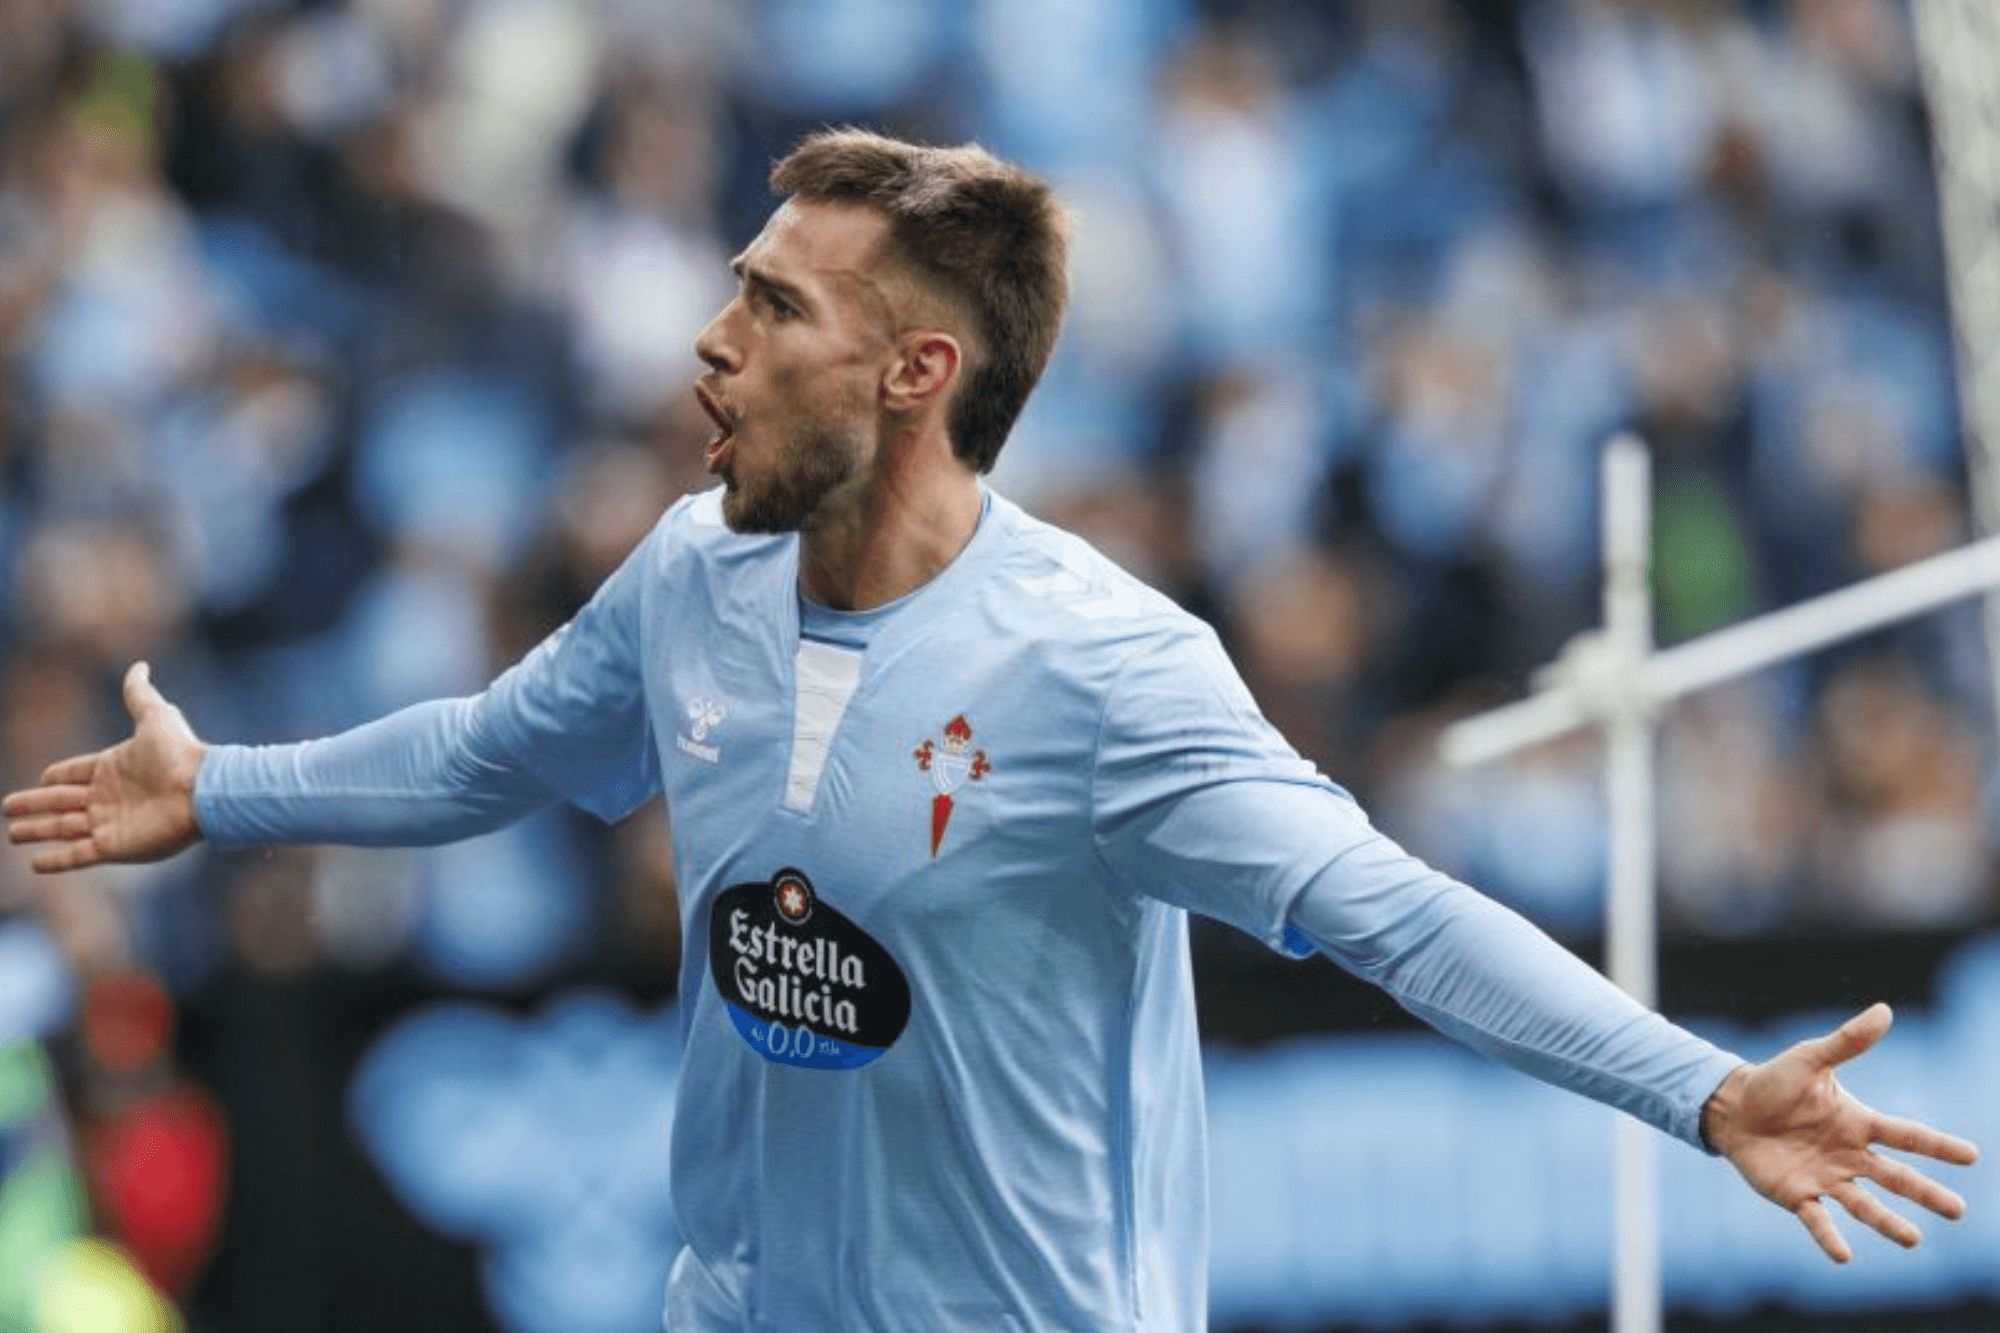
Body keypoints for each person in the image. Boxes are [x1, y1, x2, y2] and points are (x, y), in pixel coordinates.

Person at [4, 130, 1980, 1331]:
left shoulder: (1104, 671)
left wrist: (1700, 1094)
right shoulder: (695, 570)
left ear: (910, 370)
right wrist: (226, 788)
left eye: (771, 306)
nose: (709, 340)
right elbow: (491, 754)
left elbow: (1386, 912)